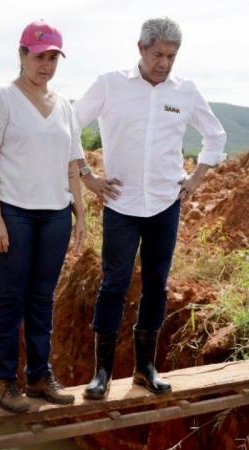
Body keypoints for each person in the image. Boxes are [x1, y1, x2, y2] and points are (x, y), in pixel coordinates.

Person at [74, 17, 227, 399]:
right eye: (158, 54)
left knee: (157, 284)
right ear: (141, 48)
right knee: (114, 284)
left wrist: (196, 178)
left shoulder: (185, 92)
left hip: (164, 203)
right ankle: (102, 373)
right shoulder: (110, 84)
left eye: (171, 56)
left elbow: (215, 134)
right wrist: (87, 176)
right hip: (121, 204)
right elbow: (69, 126)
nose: (164, 63)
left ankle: (145, 369)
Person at [0, 20, 86, 413]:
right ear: (22, 55)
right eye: (39, 56)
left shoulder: (65, 106)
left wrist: (80, 216)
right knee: (11, 297)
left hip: (55, 216)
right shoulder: (1, 98)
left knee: (42, 298)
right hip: (11, 211)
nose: (46, 65)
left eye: (53, 57)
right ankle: (2, 380)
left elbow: (72, 166)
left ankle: (39, 375)